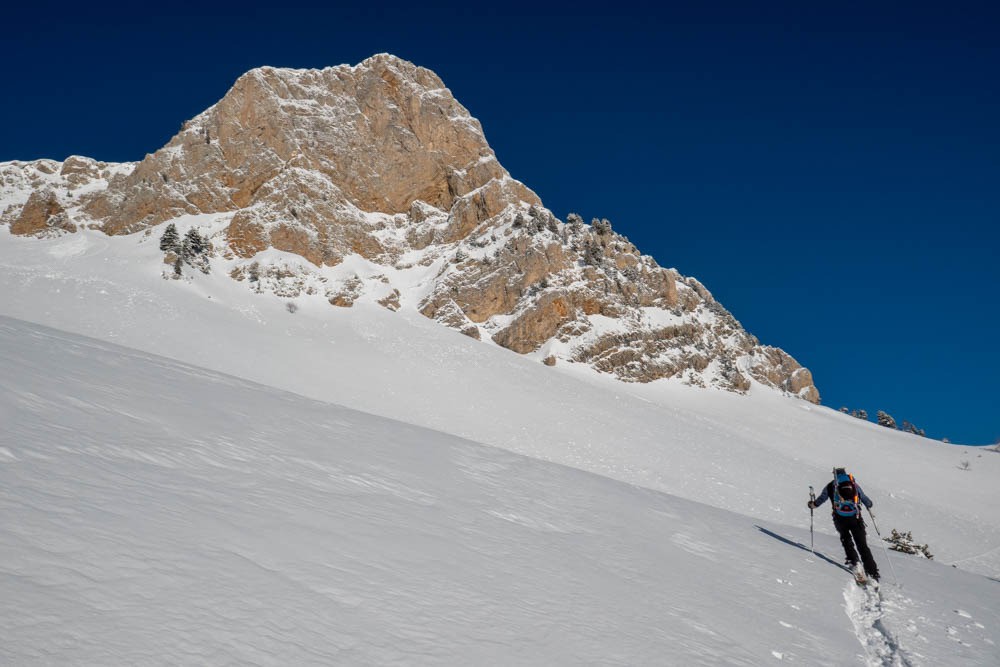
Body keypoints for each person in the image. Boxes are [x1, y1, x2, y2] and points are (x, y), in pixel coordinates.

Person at [808, 467, 880, 581]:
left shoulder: (831, 485)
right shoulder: (853, 484)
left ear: (835, 475)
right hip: (855, 518)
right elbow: (866, 500)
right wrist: (869, 504)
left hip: (840, 518)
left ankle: (854, 562)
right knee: (862, 545)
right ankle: (873, 572)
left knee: (846, 540)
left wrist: (812, 504)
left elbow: (821, 500)